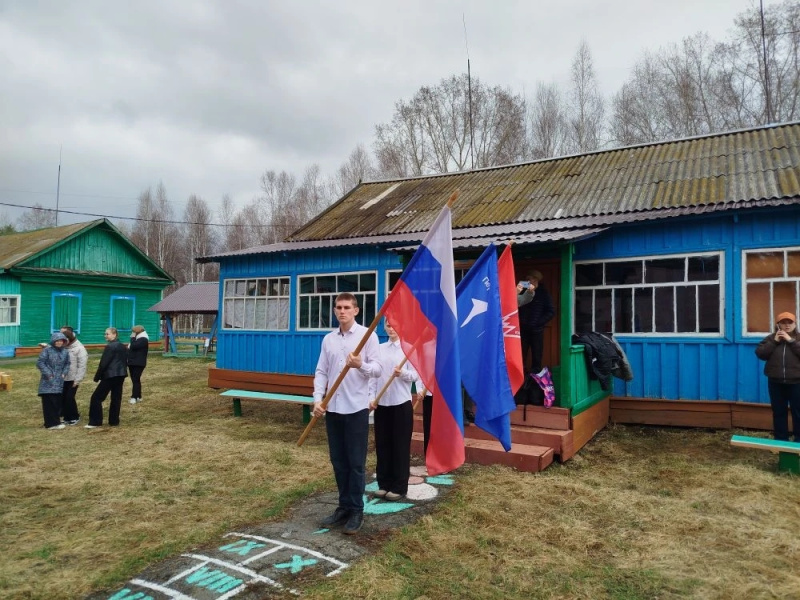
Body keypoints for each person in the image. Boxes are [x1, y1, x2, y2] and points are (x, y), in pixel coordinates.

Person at [312, 293, 382, 535]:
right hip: (333, 409)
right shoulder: (329, 340)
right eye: (338, 307)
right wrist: (318, 400)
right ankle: (343, 506)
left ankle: (356, 510)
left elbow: (378, 369)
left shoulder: (367, 336)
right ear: (334, 311)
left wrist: (360, 364)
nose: (342, 311)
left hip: (356, 409)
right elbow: (321, 371)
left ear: (356, 310)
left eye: (346, 307)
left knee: (355, 463)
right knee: (338, 461)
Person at [369, 320, 418, 501]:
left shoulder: (409, 349)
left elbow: (415, 375)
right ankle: (384, 483)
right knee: (383, 445)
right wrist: (371, 398)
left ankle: (399, 486)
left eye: (395, 325)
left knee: (399, 446)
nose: (391, 328)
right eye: (388, 325)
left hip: (401, 404)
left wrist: (402, 373)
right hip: (382, 404)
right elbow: (374, 377)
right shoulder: (380, 349)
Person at [755, 311, 800, 442]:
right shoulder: (770, 338)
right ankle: (781, 441)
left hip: (796, 383)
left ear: (794, 324)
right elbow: (760, 354)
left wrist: (790, 341)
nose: (787, 325)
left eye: (790, 322)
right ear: (778, 324)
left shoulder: (797, 338)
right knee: (779, 412)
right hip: (775, 382)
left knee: (798, 413)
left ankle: (798, 441)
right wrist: (775, 342)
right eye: (783, 323)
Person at [86, 327, 128, 429]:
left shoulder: (110, 347)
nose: (105, 336)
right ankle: (114, 421)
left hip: (110, 375)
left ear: (114, 335)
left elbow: (104, 363)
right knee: (116, 398)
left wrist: (97, 377)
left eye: (107, 334)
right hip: (121, 375)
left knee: (96, 398)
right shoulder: (123, 346)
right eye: (105, 334)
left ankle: (95, 421)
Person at [517, 270, 555, 373]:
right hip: (523, 330)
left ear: (537, 280)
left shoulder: (543, 293)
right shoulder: (522, 291)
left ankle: (534, 384)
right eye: (528, 279)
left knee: (537, 358)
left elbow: (551, 311)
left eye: (532, 279)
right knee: (520, 357)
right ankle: (522, 382)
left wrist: (539, 322)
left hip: (536, 331)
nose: (529, 281)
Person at [36, 332, 71, 430]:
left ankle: (56, 422)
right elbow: (40, 363)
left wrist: (64, 373)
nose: (59, 343)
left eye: (61, 341)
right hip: (48, 381)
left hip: (59, 380)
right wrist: (48, 374)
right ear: (53, 341)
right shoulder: (47, 350)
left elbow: (67, 363)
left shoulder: (65, 352)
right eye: (57, 341)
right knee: (49, 402)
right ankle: (50, 423)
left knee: (57, 402)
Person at [60, 326, 88, 425]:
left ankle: (75, 416)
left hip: (73, 378)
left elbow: (82, 366)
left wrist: (77, 380)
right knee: (63, 397)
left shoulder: (79, 348)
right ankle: (67, 417)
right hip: (63, 377)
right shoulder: (64, 348)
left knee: (69, 398)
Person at [127, 324, 149, 404]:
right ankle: (138, 396)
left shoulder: (143, 339)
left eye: (133, 332)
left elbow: (133, 346)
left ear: (137, 332)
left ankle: (134, 397)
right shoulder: (138, 338)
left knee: (135, 380)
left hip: (138, 363)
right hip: (133, 362)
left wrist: (132, 338)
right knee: (135, 380)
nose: (132, 334)